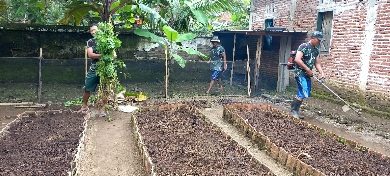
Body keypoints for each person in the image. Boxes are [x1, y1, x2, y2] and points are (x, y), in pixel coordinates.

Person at [78, 23, 116, 117]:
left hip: (106, 67)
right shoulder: (90, 42)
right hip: (94, 67)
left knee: (104, 89)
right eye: (91, 31)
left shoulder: (108, 40)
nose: (93, 32)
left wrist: (109, 56)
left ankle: (102, 109)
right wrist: (104, 55)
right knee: (87, 87)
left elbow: (114, 55)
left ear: (99, 30)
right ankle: (84, 106)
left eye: (95, 30)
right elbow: (90, 55)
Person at [290, 31, 325, 119]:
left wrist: (322, 73)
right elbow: (297, 59)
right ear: (312, 38)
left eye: (320, 40)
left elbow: (317, 63)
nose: (319, 42)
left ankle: (295, 112)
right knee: (303, 91)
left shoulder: (316, 50)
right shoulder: (303, 46)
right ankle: (293, 112)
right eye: (318, 40)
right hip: (300, 73)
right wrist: (307, 69)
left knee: (306, 93)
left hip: (307, 75)